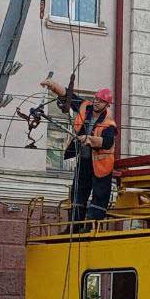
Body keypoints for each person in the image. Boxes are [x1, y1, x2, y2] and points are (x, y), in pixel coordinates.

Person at [41, 77, 117, 223]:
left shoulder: (109, 123)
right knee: (78, 191)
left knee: (100, 195)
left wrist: (90, 139)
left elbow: (107, 142)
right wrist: (53, 86)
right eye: (96, 98)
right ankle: (74, 225)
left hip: (101, 165)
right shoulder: (85, 107)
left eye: (100, 100)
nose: (96, 102)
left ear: (107, 104)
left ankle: (91, 225)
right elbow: (69, 96)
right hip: (84, 159)